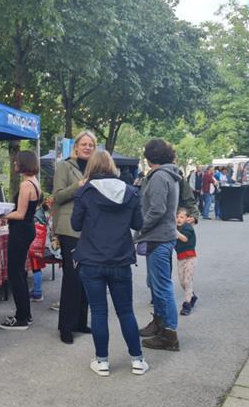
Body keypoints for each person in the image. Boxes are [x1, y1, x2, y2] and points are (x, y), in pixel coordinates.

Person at [70, 150, 147, 377]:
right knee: (125, 312)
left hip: (91, 259)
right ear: (113, 167)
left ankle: (102, 362)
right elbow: (138, 223)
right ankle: (137, 360)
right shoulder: (131, 192)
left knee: (99, 312)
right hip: (121, 259)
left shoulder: (85, 192)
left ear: (91, 167)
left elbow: (75, 225)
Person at [136, 138, 182, 352]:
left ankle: (169, 333)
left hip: (158, 237)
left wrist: (140, 228)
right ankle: (160, 324)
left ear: (149, 157)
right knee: (157, 286)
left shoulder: (159, 177)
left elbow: (156, 210)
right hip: (162, 236)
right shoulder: (169, 175)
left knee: (162, 287)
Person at [50, 131, 95, 344]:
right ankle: (65, 326)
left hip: (90, 228)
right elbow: (57, 196)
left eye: (91, 145)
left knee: (87, 277)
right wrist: (78, 186)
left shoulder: (96, 169)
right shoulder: (65, 167)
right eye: (84, 144)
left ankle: (80, 322)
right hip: (69, 228)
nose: (87, 147)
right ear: (75, 147)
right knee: (72, 277)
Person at [0, 151, 41, 331]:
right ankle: (26, 313)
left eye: (16, 162)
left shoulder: (25, 185)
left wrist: (3, 215)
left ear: (22, 164)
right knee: (20, 272)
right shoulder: (35, 182)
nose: (14, 164)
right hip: (27, 228)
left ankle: (21, 317)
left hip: (21, 230)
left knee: (15, 273)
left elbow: (20, 213)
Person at [175, 207, 198, 316]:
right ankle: (192, 295)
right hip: (180, 259)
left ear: (187, 219)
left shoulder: (187, 227)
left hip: (190, 258)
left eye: (181, 217)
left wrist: (174, 232)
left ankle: (187, 304)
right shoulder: (176, 228)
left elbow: (184, 239)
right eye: (177, 217)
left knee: (187, 281)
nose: (178, 219)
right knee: (182, 281)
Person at [28, 197, 51, 304]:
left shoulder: (35, 214)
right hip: (43, 245)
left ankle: (38, 293)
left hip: (36, 245)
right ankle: (36, 290)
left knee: (36, 268)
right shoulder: (41, 211)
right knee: (37, 268)